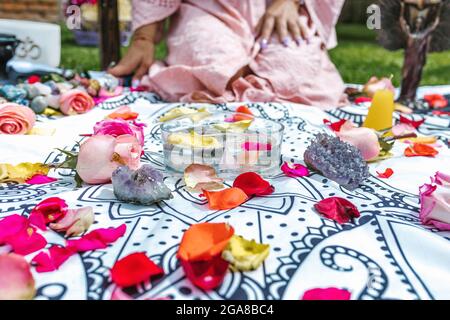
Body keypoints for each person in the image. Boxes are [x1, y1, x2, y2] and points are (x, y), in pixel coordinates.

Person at [109, 0, 347, 109]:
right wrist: (144, 38)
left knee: (292, 72)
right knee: (215, 68)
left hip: (281, 11)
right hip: (210, 10)